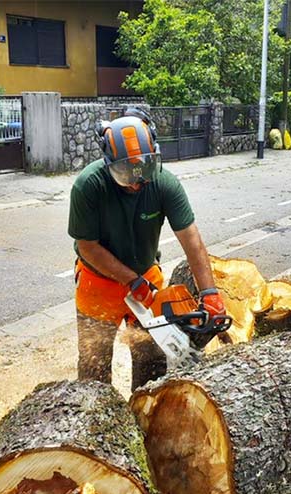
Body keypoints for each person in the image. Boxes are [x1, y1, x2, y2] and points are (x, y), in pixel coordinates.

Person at [68, 108, 225, 390]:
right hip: (98, 283)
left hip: (146, 278)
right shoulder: (88, 186)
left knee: (152, 363)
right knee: (94, 369)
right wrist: (131, 280)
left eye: (143, 169)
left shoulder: (164, 184)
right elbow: (87, 248)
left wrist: (209, 294)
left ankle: (147, 414)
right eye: (127, 173)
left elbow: (192, 240)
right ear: (109, 162)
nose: (138, 181)